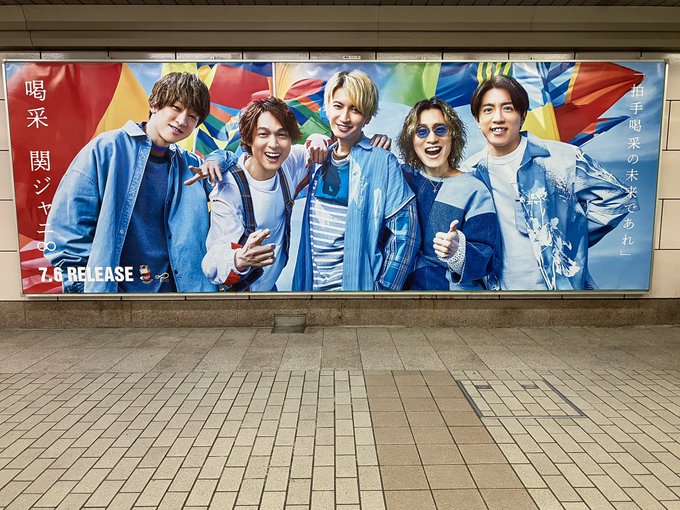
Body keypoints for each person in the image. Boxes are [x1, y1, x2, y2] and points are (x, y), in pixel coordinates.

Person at [462, 74, 638, 290]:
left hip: (560, 293)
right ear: (477, 119)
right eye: (488, 110)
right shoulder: (469, 173)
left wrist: (571, 236)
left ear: (522, 115)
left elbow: (619, 199)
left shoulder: (563, 157)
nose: (498, 118)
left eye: (507, 108)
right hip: (496, 294)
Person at [45, 72, 215, 293]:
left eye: (192, 116)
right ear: (154, 104)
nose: (182, 121)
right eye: (176, 107)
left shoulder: (192, 165)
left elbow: (239, 184)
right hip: (116, 295)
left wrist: (220, 158)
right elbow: (68, 230)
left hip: (178, 295)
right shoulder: (105, 149)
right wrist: (85, 291)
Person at [292, 70, 419, 292]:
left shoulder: (383, 161)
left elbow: (406, 235)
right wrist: (314, 138)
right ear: (327, 107)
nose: (344, 117)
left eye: (355, 109)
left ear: (367, 117)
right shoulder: (318, 160)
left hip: (356, 294)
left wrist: (384, 291)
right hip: (311, 292)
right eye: (338, 106)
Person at [398, 98, 499, 291]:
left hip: (452, 301)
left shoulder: (474, 189)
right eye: (421, 131)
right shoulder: (400, 177)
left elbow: (486, 259)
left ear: (453, 135)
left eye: (440, 129)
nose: (432, 138)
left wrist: (458, 253)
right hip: (402, 300)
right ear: (411, 139)